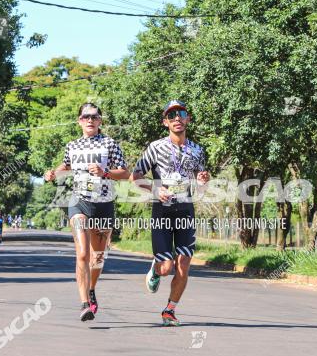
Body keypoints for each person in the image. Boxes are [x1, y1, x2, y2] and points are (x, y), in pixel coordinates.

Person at [45, 102, 129, 322]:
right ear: (79, 121)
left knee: (97, 258)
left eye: (94, 116)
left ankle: (91, 288)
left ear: (100, 120)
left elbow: (124, 173)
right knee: (82, 253)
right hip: (79, 202)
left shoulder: (109, 143)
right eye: (85, 117)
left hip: (103, 203)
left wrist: (105, 172)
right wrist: (53, 173)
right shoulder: (72, 146)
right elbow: (66, 166)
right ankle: (84, 303)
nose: (90, 120)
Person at [131, 100, 209, 326]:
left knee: (184, 264)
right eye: (172, 115)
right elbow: (135, 177)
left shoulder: (197, 150)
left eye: (181, 114)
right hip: (162, 212)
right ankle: (155, 270)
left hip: (186, 210)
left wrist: (204, 182)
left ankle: (169, 311)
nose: (177, 118)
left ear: (188, 119)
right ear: (165, 122)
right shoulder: (155, 147)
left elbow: (201, 186)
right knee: (167, 268)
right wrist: (156, 189)